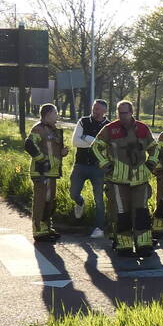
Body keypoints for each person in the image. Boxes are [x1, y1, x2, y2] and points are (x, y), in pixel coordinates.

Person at [92, 100, 159, 257]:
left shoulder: (142, 129)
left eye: (125, 113)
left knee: (141, 212)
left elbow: (155, 148)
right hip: (117, 181)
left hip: (140, 180)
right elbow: (95, 147)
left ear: (131, 112)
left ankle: (144, 244)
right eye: (119, 113)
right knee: (122, 213)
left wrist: (151, 164)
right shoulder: (110, 129)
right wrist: (106, 165)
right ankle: (124, 245)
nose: (122, 116)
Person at [23, 103, 68, 243]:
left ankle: (46, 228)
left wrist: (62, 153)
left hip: (51, 173)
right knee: (41, 201)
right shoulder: (38, 129)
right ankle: (38, 231)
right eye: (55, 113)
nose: (57, 116)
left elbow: (52, 150)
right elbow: (29, 145)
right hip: (41, 173)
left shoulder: (53, 130)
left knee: (49, 201)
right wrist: (42, 161)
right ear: (48, 114)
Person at [69, 99, 110, 238]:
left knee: (99, 199)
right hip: (80, 164)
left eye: (98, 109)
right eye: (94, 107)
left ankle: (99, 228)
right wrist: (95, 142)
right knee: (73, 193)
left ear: (105, 111)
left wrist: (85, 137)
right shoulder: (83, 121)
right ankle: (80, 203)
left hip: (98, 167)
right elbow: (75, 141)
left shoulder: (109, 126)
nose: (95, 111)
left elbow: (107, 147)